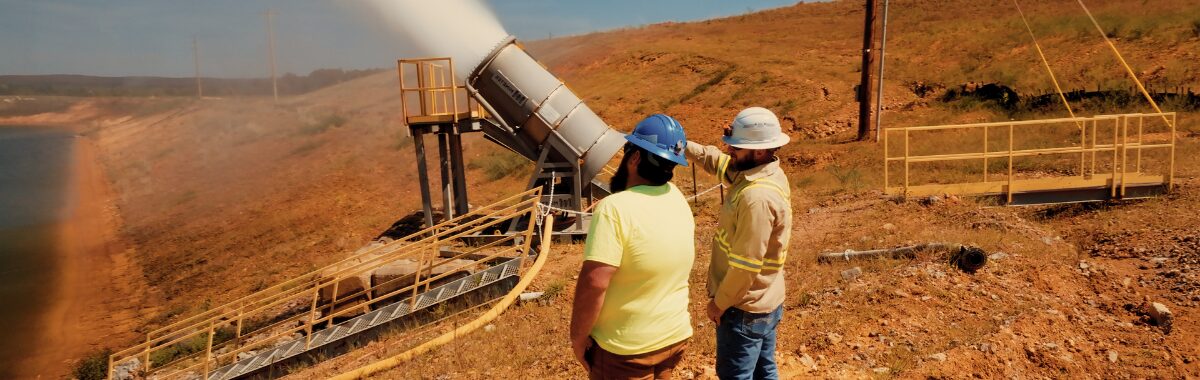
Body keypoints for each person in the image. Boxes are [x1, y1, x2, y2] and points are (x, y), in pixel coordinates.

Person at [569, 114, 694, 379]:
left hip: (627, 351)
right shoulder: (677, 197)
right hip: (673, 338)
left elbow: (595, 283)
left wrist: (578, 339)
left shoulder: (614, 209)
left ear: (634, 158)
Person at [684, 107, 792, 380]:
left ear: (758, 151)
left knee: (737, 375)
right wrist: (684, 146)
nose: (730, 151)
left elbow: (746, 266)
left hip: (743, 307)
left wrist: (718, 304)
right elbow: (716, 162)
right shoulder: (762, 172)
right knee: (764, 371)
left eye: (737, 147)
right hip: (764, 300)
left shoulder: (756, 198)